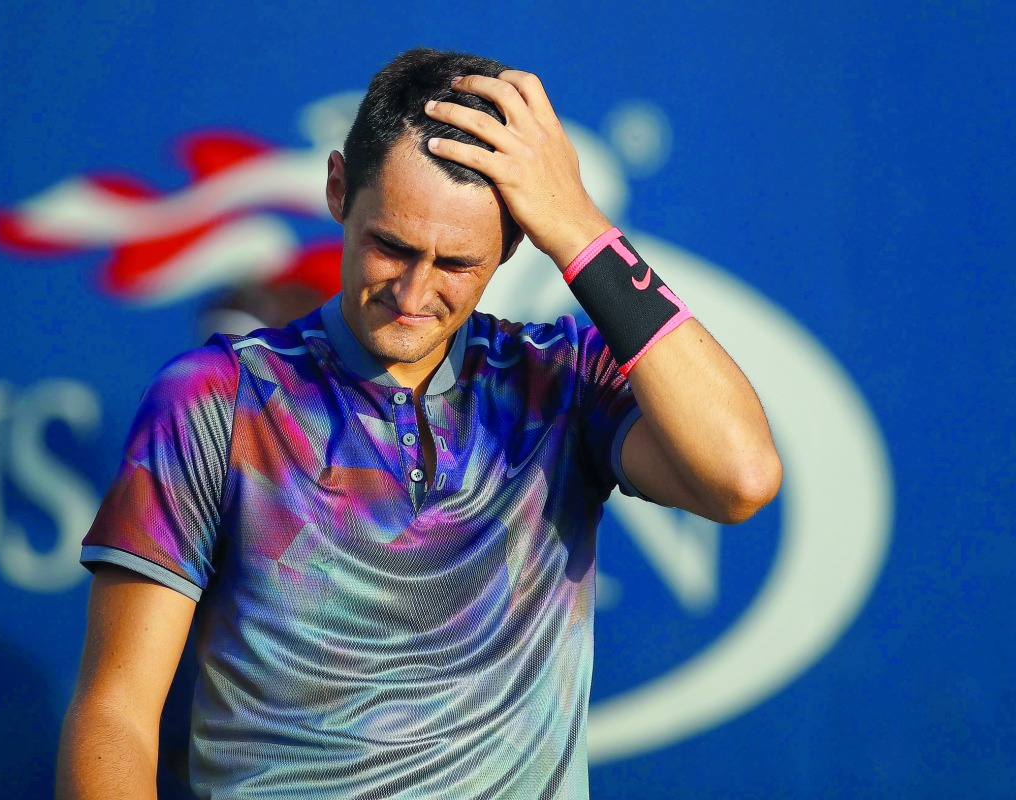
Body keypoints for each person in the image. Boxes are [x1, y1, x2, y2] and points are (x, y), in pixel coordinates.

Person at [56, 48, 783, 799]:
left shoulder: (563, 381)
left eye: (456, 263)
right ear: (339, 189)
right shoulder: (214, 397)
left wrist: (579, 226)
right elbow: (117, 715)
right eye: (391, 246)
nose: (412, 291)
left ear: (514, 246)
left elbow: (741, 476)